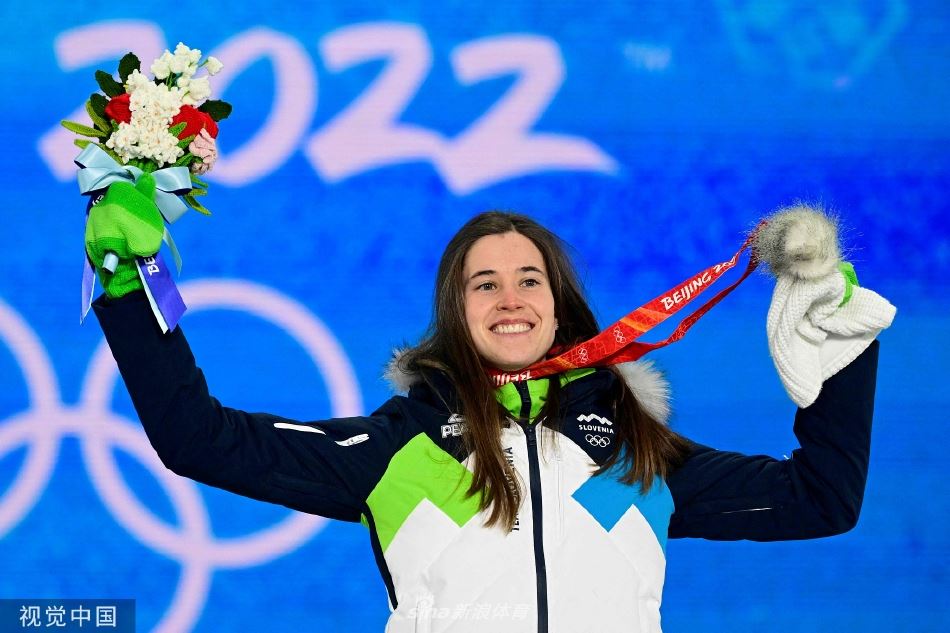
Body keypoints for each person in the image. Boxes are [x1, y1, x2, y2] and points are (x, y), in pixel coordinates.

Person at [86, 203, 881, 633]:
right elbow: (198, 437)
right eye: (485, 283)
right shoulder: (399, 445)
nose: (510, 298)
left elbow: (822, 497)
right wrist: (127, 284)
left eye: (530, 279)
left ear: (559, 306)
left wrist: (840, 349)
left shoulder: (634, 455)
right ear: (455, 311)